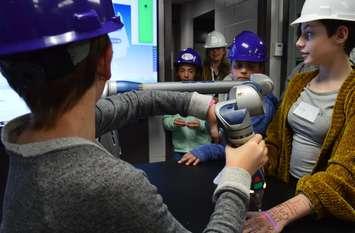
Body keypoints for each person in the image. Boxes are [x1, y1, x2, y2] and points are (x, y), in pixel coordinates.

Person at [0, 1, 269, 232]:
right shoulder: (112, 185)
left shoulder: (25, 138)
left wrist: (202, 105)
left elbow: (135, 102)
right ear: (106, 61)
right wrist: (237, 176)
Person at [243, 0, 355, 232]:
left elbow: (345, 171)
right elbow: (275, 139)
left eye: (309, 34)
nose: (298, 43)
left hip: (324, 210)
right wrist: (254, 163)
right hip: (287, 191)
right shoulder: (298, 83)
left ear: (341, 34)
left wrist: (282, 213)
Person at [179, 31, 278, 166]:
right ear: (231, 67)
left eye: (251, 66)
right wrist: (212, 124)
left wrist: (206, 150)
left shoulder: (263, 105)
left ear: (261, 69)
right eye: (238, 65)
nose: (243, 71)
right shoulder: (231, 89)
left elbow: (239, 149)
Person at [163, 48, 211, 161]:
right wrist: (173, 122)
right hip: (179, 150)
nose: (186, 75)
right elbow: (165, 120)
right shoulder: (171, 94)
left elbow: (213, 122)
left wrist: (200, 124)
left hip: (202, 149)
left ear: (196, 73)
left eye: (190, 71)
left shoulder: (206, 93)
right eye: (182, 70)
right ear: (177, 72)